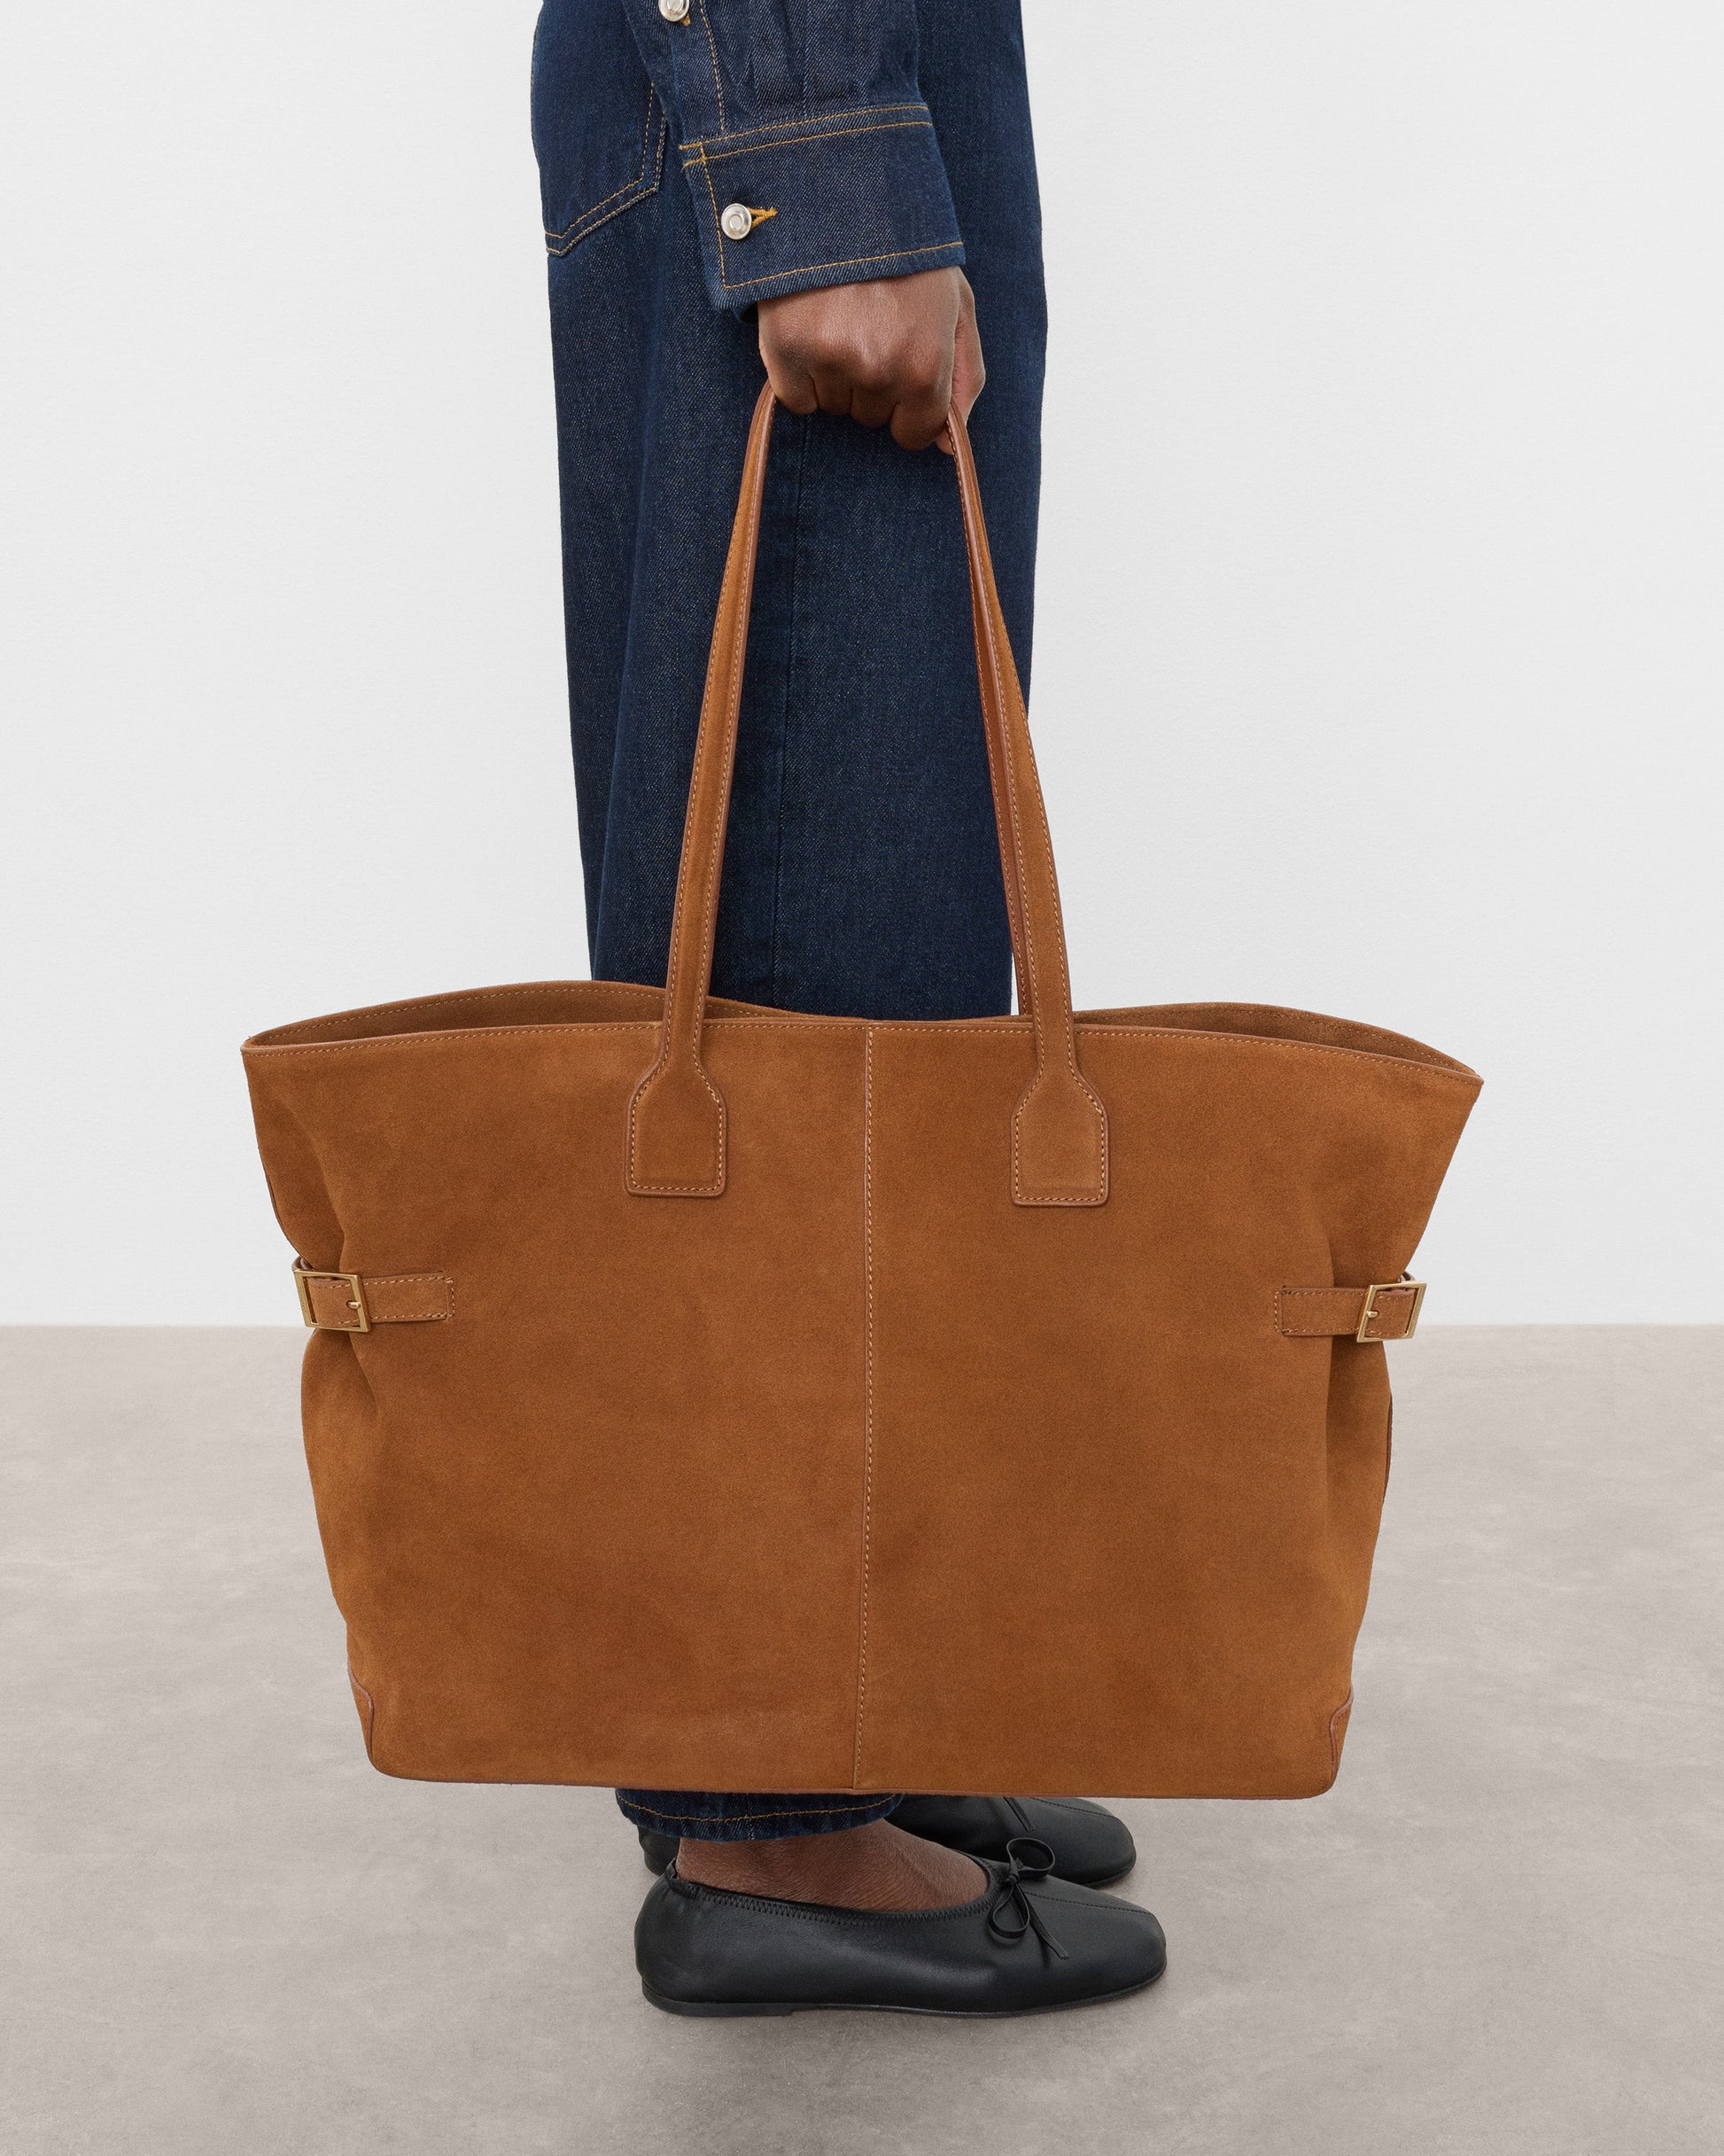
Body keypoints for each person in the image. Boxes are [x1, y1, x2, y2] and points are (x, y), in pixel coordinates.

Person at [532, 0, 1166, 2016]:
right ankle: (769, 1808)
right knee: (808, 958)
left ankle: (833, 1707)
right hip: (793, 69)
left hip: (815, 72)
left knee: (886, 927)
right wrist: (813, 161)